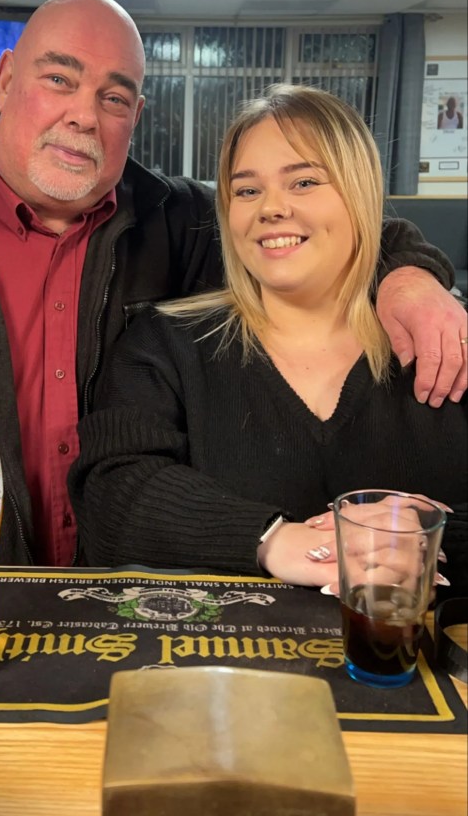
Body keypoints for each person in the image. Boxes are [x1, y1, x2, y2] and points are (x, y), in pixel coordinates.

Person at [0, 0, 465, 567]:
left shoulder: (174, 220)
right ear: (6, 80)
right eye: (59, 79)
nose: (83, 115)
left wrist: (409, 274)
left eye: (114, 96)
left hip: (113, 603)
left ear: (137, 114)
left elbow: (312, 236)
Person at [69, 85, 467, 590]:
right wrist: (271, 540)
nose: (272, 208)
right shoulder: (163, 344)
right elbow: (112, 494)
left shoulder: (446, 338)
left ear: (359, 192)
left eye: (303, 182)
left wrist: (429, 538)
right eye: (248, 190)